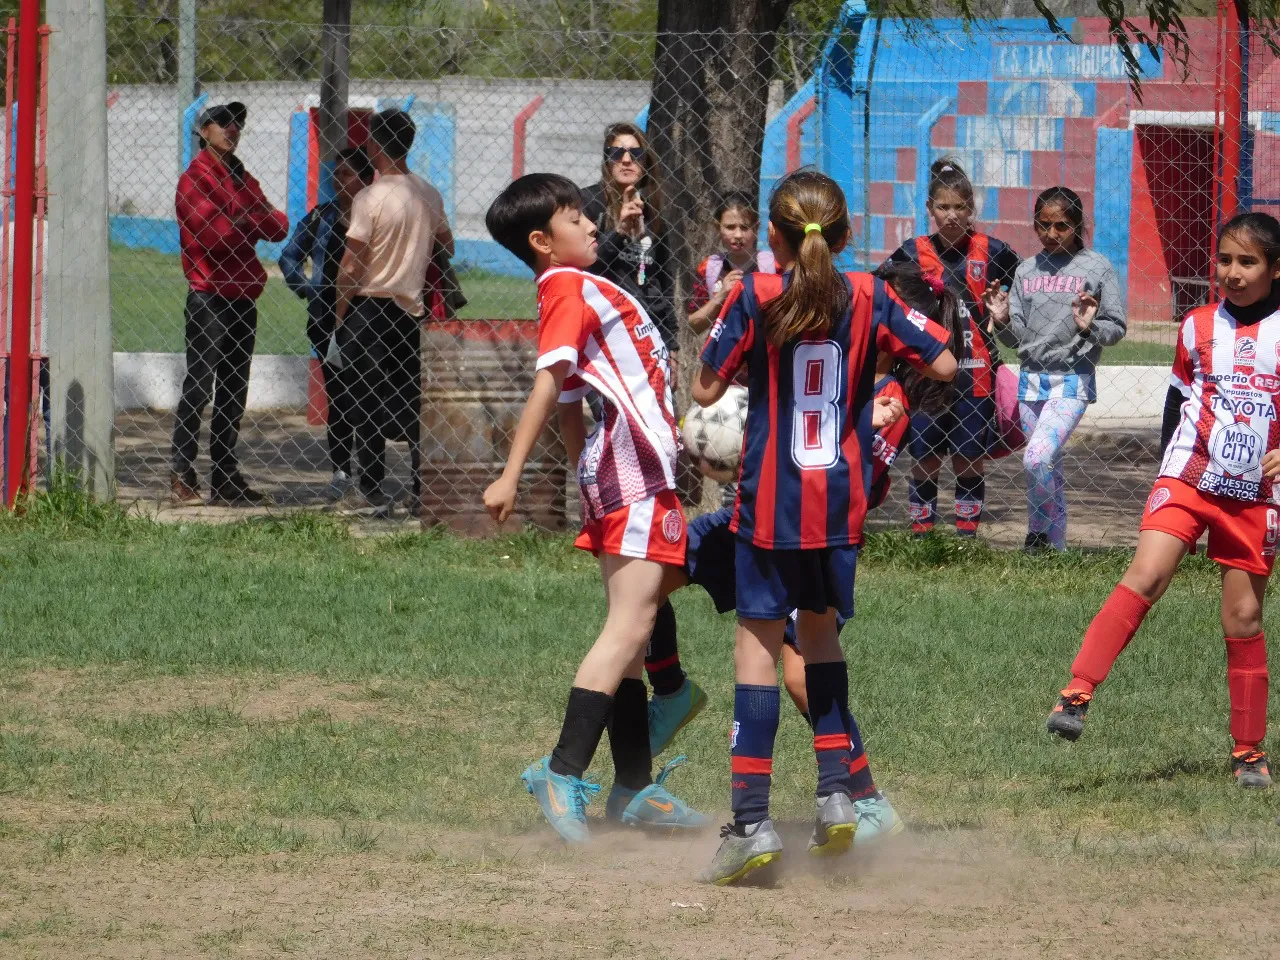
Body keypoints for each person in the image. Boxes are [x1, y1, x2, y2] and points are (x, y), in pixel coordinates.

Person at [694, 170, 957, 885]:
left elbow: (704, 390)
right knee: (819, 639)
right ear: (842, 239)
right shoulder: (867, 294)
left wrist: (735, 329)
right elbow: (945, 359)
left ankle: (750, 822)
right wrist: (880, 381)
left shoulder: (757, 293)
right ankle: (837, 793)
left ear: (773, 238)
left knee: (756, 650)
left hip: (768, 506)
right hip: (836, 505)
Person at [482, 172, 705, 843]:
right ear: (542, 241)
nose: (590, 224)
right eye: (574, 218)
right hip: (634, 475)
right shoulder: (570, 288)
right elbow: (550, 383)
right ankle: (562, 769)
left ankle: (632, 788)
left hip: (620, 473)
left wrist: (586, 474)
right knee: (629, 628)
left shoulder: (574, 289)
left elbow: (576, 397)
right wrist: (510, 474)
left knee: (634, 640)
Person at [1043, 212, 1280, 791]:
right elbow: (1177, 401)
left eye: (1248, 262)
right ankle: (1076, 694)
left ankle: (1248, 752)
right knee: (1146, 573)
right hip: (1189, 477)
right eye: (1224, 260)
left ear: (1275, 269)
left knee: (1243, 617)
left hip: (1258, 495)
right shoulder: (1196, 325)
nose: (1233, 272)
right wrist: (1169, 469)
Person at [884, 158, 1020, 538]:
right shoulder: (911, 253)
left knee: (969, 460)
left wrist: (1006, 314)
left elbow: (1023, 287)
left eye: (960, 207)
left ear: (972, 208)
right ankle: (922, 536)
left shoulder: (994, 252)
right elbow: (883, 294)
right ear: (929, 209)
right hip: (924, 375)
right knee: (924, 458)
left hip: (976, 375)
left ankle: (965, 540)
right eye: (943, 207)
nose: (951, 215)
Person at [986, 187, 1126, 551]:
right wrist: (1001, 320)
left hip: (1072, 380)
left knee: (1036, 456)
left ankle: (1037, 532)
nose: (1051, 234)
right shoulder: (1026, 270)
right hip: (1031, 382)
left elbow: (1116, 328)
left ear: (1077, 225)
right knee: (1047, 467)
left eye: (1061, 225)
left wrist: (1089, 327)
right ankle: (1053, 547)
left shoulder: (1097, 267)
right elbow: (1015, 339)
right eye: (1043, 225)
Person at [170, 101, 289, 505]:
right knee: (200, 386)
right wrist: (247, 220)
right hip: (209, 297)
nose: (232, 129)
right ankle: (181, 471)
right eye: (222, 123)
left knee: (234, 390)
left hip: (242, 297)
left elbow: (279, 226)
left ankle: (224, 475)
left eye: (237, 123)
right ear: (204, 131)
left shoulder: (241, 176)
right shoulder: (194, 180)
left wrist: (240, 220)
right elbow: (213, 237)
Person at [335, 110, 453, 513]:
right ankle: (421, 490)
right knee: (412, 399)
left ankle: (371, 487)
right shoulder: (428, 193)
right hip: (411, 310)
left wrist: (340, 312)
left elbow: (350, 265)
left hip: (368, 307)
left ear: (374, 145)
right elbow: (447, 246)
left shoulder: (369, 197)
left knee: (365, 399)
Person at [279, 146, 376, 501]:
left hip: (369, 323)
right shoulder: (322, 217)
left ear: (367, 180)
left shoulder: (376, 219)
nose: (339, 180)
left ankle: (371, 474)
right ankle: (341, 470)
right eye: (336, 173)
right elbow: (289, 255)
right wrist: (306, 289)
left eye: (347, 174)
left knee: (368, 398)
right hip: (327, 325)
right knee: (338, 397)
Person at [580, 122, 676, 356]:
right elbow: (585, 267)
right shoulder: (588, 203)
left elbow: (664, 280)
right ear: (607, 160)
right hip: (604, 327)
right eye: (616, 153)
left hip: (649, 329)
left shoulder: (652, 209)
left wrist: (671, 344)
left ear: (645, 161)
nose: (626, 160)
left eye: (635, 153)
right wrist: (619, 232)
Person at [687, 191, 777, 335]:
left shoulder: (773, 265)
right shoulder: (709, 267)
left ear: (756, 228)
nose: (738, 235)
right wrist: (721, 297)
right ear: (718, 228)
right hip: (723, 354)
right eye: (730, 227)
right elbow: (694, 326)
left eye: (745, 227)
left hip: (762, 353)